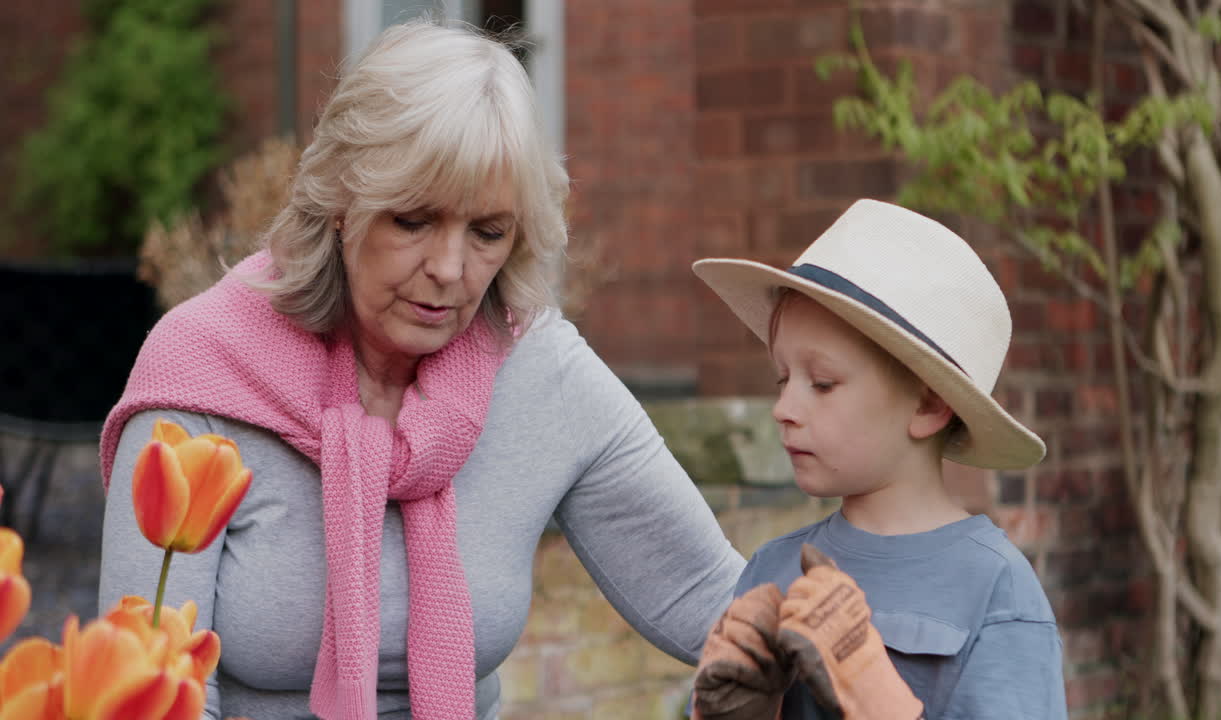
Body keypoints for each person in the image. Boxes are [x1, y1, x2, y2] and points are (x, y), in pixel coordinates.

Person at [97, 19, 743, 720]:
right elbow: (147, 692)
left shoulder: (540, 374)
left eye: (488, 233)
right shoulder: (203, 374)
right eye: (412, 221)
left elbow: (718, 604)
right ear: (343, 204)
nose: (449, 270)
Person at [688, 199, 1068, 719]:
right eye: (783, 379)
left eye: (822, 383)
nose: (783, 407)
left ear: (929, 403)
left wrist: (879, 700)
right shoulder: (769, 570)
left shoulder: (994, 590)